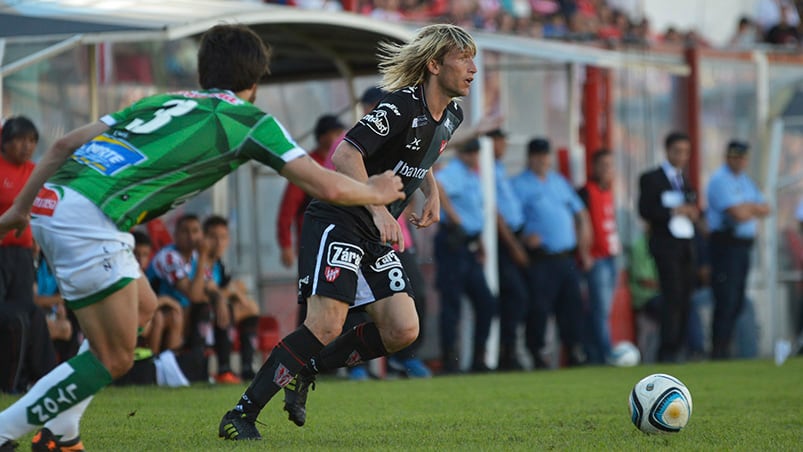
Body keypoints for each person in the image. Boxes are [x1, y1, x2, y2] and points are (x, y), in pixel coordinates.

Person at [0, 23, 403, 451]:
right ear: (254, 81)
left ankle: (61, 433)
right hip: (89, 217)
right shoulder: (248, 120)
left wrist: (18, 212)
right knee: (115, 356)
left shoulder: (164, 101)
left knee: (145, 306)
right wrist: (375, 192)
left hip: (56, 200)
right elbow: (327, 186)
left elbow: (62, 148)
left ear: (202, 76)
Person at [218, 23, 477, 440]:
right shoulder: (397, 107)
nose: (472, 68)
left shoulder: (452, 115)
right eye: (463, 58)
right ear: (433, 64)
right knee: (324, 325)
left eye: (473, 58)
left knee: (402, 329)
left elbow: (421, 155)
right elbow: (345, 153)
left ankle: (307, 369)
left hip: (374, 227)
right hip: (340, 218)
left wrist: (431, 193)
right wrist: (377, 208)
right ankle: (240, 414)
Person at [511, 137, 591, 369]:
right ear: (530, 158)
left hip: (566, 256)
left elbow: (580, 213)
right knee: (539, 308)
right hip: (541, 258)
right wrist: (524, 237)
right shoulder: (519, 184)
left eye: (546, 156)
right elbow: (512, 219)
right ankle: (536, 352)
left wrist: (584, 247)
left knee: (572, 306)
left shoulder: (558, 182)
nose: (544, 160)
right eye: (539, 156)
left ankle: (574, 350)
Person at [0, 116, 58, 394]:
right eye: (21, 139)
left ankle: (19, 380)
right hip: (0, 253)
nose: (27, 146)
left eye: (32, 141)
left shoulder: (35, 172)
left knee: (23, 316)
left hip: (23, 255)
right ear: (6, 141)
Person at [434, 138, 497, 373]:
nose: (474, 157)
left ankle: (478, 358)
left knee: (486, 302)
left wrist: (479, 240)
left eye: (475, 153)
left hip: (468, 244)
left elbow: (474, 211)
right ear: (461, 153)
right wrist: (455, 219)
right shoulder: (455, 171)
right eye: (470, 153)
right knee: (452, 305)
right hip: (453, 242)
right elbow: (438, 187)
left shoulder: (472, 175)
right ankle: (449, 359)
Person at [638, 131, 699, 363]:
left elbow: (691, 206)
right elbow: (645, 210)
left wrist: (692, 213)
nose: (682, 156)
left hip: (686, 245)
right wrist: (674, 211)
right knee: (671, 297)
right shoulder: (652, 178)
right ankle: (668, 350)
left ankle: (681, 346)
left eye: (686, 152)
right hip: (666, 246)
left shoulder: (684, 180)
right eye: (678, 151)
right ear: (668, 151)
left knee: (685, 297)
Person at [706, 140, 769, 359]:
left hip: (743, 246)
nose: (740, 161)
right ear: (728, 157)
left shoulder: (744, 181)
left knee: (738, 300)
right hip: (726, 245)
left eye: (743, 157)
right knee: (726, 298)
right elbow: (738, 215)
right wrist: (750, 207)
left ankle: (727, 348)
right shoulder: (720, 180)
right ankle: (719, 351)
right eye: (736, 157)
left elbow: (766, 208)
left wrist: (747, 207)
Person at [278, 114, 346, 269]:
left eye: (341, 133)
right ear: (322, 137)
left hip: (340, 243)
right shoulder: (307, 165)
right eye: (335, 133)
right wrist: (286, 245)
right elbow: (288, 209)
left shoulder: (345, 162)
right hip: (312, 243)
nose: (340, 138)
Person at [488, 128, 529, 371]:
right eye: (500, 141)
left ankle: (510, 349)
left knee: (518, 297)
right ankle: (507, 351)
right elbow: (495, 212)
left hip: (515, 237)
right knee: (514, 296)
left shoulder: (499, 168)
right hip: (503, 242)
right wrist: (514, 246)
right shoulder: (486, 170)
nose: (503, 145)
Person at [201, 215, 261, 380]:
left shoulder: (218, 264)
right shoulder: (199, 261)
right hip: (198, 312)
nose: (219, 242)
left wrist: (234, 291)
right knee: (226, 308)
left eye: (223, 237)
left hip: (214, 310)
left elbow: (227, 287)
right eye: (213, 237)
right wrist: (231, 292)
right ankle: (224, 369)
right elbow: (205, 291)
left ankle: (248, 367)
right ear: (204, 238)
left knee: (250, 307)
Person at [578, 149, 620, 364]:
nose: (607, 170)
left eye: (610, 165)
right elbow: (581, 222)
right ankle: (604, 355)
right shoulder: (587, 191)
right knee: (599, 310)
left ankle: (595, 353)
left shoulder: (608, 192)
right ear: (594, 167)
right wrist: (585, 253)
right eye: (603, 165)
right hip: (597, 259)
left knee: (603, 310)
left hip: (612, 257)